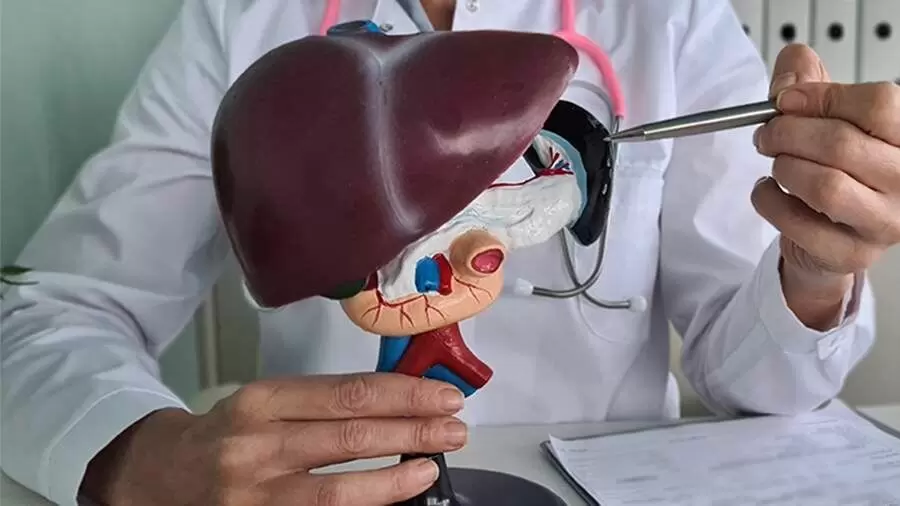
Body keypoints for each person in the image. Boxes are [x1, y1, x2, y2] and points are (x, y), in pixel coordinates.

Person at [2, 0, 898, 504]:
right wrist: (136, 453)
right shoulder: (243, 20)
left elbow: (761, 389)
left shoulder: (671, 18)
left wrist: (815, 269)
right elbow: (51, 311)